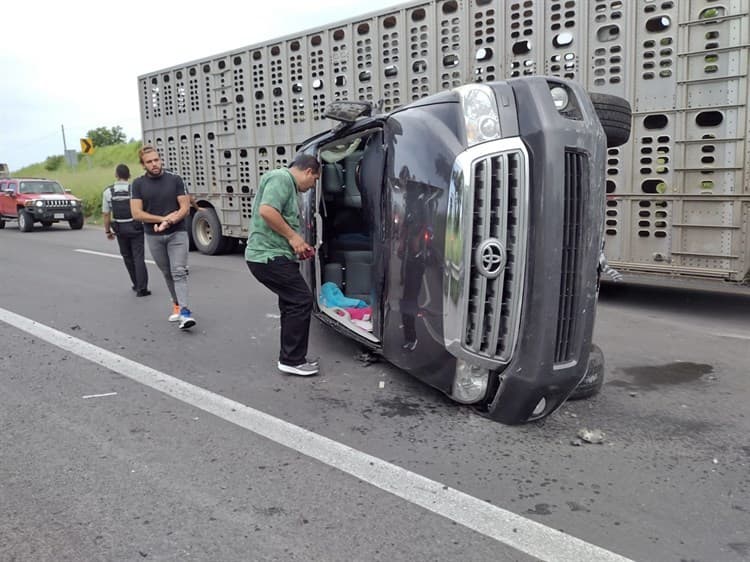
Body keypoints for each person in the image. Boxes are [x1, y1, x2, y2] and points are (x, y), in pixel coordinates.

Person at [246, 153, 320, 376]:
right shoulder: (281, 178)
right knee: (301, 300)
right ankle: (292, 360)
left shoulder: (286, 183)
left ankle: (291, 357)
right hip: (267, 257)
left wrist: (298, 247)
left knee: (291, 302)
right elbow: (267, 211)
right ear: (308, 171)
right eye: (315, 180)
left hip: (274, 255)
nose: (312, 186)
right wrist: (293, 238)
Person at [131, 145, 196, 330]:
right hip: (154, 235)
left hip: (178, 233)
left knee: (179, 271)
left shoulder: (175, 179)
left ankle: (185, 312)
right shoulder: (138, 184)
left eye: (156, 160)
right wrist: (162, 219)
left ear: (161, 160)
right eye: (149, 162)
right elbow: (136, 213)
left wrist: (170, 221)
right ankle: (176, 303)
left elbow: (184, 207)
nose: (154, 164)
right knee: (167, 272)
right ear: (143, 165)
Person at [102, 164, 150, 296]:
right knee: (138, 257)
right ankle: (142, 288)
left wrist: (107, 231)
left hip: (119, 228)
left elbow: (106, 214)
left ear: (116, 175)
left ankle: (135, 283)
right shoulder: (134, 190)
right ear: (129, 176)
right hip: (135, 226)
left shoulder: (108, 192)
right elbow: (143, 208)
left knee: (127, 257)